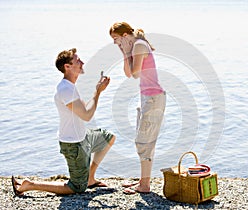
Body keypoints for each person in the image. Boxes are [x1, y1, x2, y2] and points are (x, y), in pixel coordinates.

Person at [11, 48, 115, 196]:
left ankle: (90, 178)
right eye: (77, 60)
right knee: (76, 187)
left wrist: (96, 90)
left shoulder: (71, 87)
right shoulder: (66, 89)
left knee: (109, 138)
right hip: (74, 144)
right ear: (67, 67)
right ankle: (30, 184)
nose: (82, 62)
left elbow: (84, 110)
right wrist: (97, 92)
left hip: (84, 136)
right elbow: (87, 116)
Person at [110, 22, 166, 194]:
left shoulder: (140, 45)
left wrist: (127, 52)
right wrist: (124, 52)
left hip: (153, 98)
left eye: (116, 38)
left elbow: (135, 73)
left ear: (125, 35)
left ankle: (144, 185)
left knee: (144, 141)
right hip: (147, 97)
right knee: (143, 140)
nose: (114, 42)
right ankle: (143, 181)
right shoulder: (135, 46)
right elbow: (129, 74)